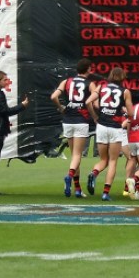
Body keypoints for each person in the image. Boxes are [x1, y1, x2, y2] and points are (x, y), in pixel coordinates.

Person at [50, 58, 96, 199]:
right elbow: (93, 103)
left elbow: (53, 97)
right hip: (81, 120)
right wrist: (95, 117)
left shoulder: (67, 81)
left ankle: (78, 189)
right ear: (88, 69)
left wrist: (61, 108)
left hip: (68, 120)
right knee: (77, 155)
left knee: (74, 157)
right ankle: (69, 176)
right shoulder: (91, 84)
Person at [87, 67, 132, 201]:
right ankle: (105, 193)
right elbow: (131, 114)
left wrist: (95, 116)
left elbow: (88, 102)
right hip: (115, 128)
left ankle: (94, 173)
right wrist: (124, 110)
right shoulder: (125, 91)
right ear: (122, 77)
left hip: (101, 126)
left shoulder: (101, 87)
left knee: (103, 160)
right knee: (112, 161)